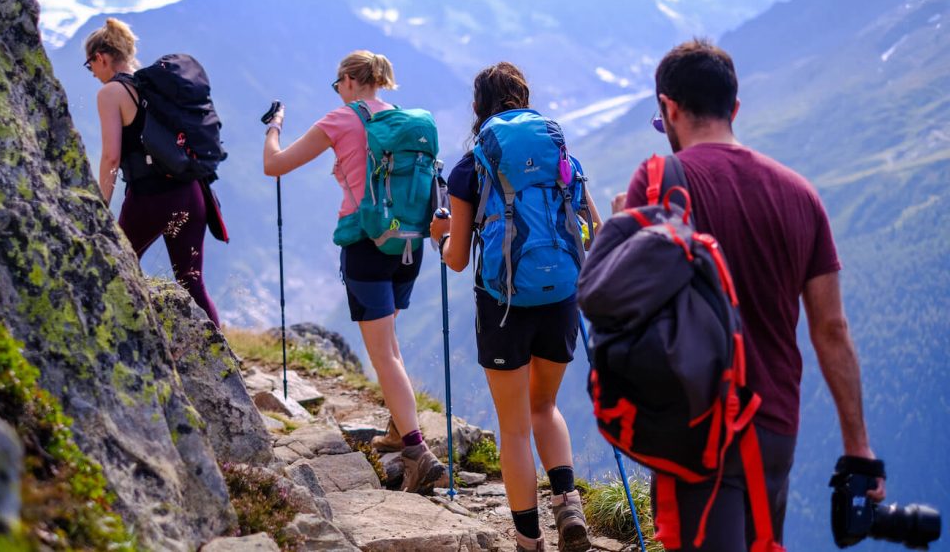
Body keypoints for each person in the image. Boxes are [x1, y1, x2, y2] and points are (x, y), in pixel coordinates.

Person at [621, 39, 884, 550]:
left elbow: (631, 309)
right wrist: (858, 446)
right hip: (774, 431)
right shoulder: (800, 195)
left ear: (668, 108)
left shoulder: (657, 188)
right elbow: (831, 329)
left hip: (693, 432)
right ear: (734, 108)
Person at [429, 62, 603, 552]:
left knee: (514, 426)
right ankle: (567, 502)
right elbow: (593, 225)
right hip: (562, 296)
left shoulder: (470, 167)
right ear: (525, 99)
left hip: (503, 306)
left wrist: (439, 237)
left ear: (478, 108)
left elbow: (459, 260)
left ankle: (530, 543)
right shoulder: (560, 154)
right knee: (545, 405)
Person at [262, 49, 444, 494]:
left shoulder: (340, 120)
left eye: (337, 84)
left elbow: (275, 165)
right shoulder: (405, 121)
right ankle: (400, 429)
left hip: (365, 245)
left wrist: (274, 128)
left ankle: (418, 451)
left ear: (348, 80)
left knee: (382, 353)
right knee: (390, 344)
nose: (338, 91)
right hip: (408, 245)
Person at [85, 18, 219, 325]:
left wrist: (99, 206)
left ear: (101, 58)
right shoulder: (156, 87)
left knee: (114, 269)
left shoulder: (111, 93)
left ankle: (116, 341)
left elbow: (110, 157)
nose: (92, 73)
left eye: (89, 64)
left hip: (150, 199)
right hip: (191, 191)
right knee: (192, 281)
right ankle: (225, 364)